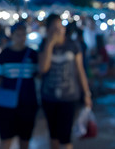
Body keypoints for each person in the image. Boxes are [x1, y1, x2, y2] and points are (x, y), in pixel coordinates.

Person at [38, 14, 92, 149]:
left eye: (61, 26)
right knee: (53, 134)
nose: (59, 30)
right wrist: (50, 44)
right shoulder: (44, 44)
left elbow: (80, 71)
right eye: (55, 27)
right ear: (48, 29)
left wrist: (86, 93)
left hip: (69, 97)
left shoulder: (73, 45)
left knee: (66, 136)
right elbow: (43, 69)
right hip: (49, 97)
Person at [0, 22, 38, 149]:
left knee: (25, 139)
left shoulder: (32, 54)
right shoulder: (4, 55)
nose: (21, 38)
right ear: (11, 36)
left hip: (28, 103)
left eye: (23, 35)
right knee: (6, 139)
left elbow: (39, 73)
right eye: (18, 35)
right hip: (7, 104)